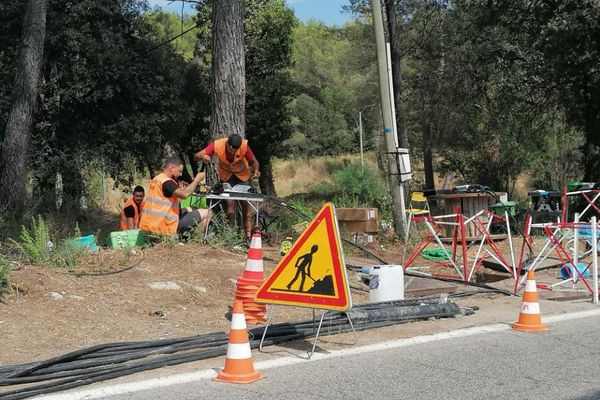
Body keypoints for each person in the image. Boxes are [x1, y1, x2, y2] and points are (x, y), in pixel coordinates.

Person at [194, 134, 260, 244]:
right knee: (229, 202)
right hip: (226, 176)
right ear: (227, 144)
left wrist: (256, 170)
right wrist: (202, 157)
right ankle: (231, 234)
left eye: (235, 150)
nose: (232, 151)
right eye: (230, 149)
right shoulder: (218, 145)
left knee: (245, 203)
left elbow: (254, 161)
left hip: (242, 176)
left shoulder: (244, 146)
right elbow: (197, 155)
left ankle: (248, 236)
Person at [139, 158, 210, 237]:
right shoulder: (167, 182)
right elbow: (184, 194)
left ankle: (186, 235)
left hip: (154, 222)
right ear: (171, 168)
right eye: (179, 171)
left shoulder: (157, 179)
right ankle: (194, 239)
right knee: (209, 212)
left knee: (193, 208)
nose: (180, 174)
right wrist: (197, 179)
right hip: (165, 224)